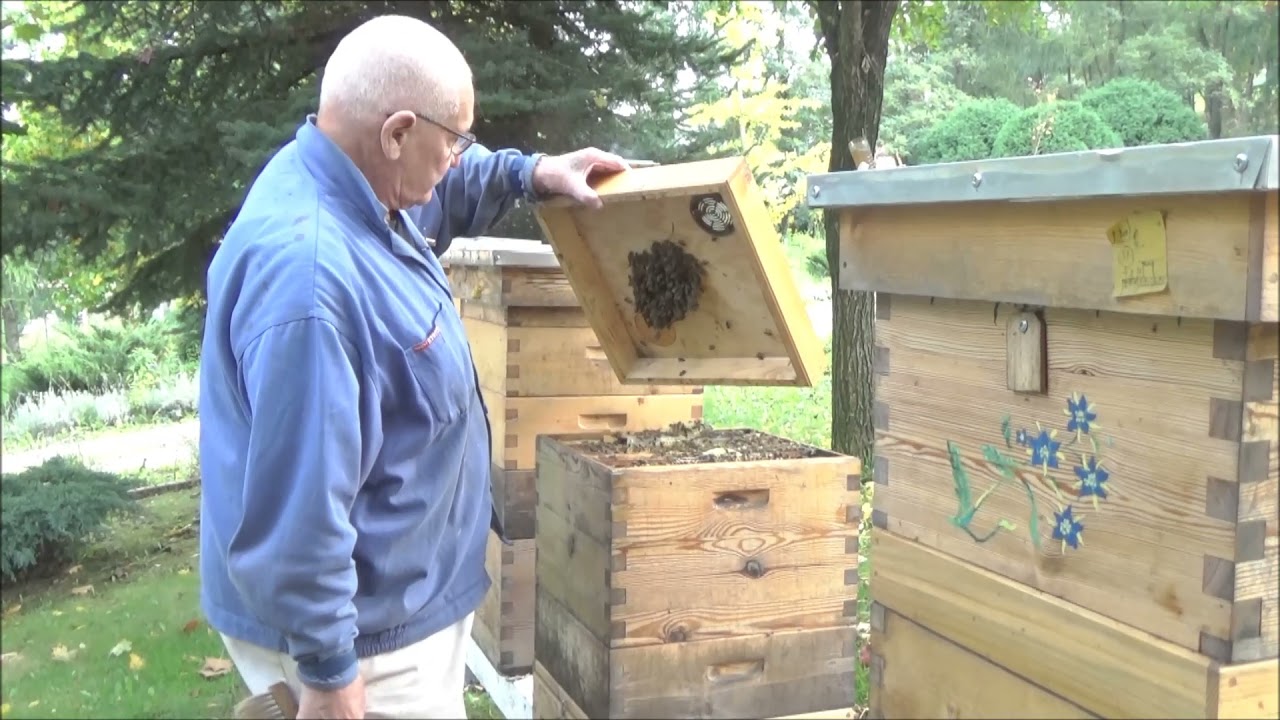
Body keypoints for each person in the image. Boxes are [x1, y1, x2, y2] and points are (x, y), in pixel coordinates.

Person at [197, 14, 628, 719]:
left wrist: (533, 173)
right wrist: (332, 680)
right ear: (397, 133)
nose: (459, 158)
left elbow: (442, 192)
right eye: (453, 141)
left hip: (395, 609)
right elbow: (300, 518)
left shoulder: (355, 183)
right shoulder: (310, 287)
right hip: (366, 643)